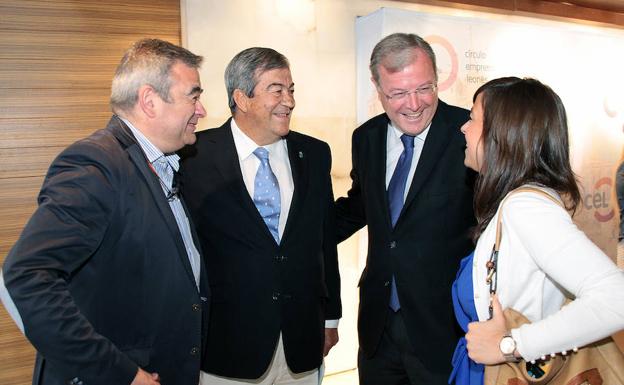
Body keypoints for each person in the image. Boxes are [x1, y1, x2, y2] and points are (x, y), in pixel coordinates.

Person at [1, 38, 210, 385]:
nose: (201, 110)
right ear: (149, 101)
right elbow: (25, 277)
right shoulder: (95, 164)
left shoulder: (162, 163)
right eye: (194, 95)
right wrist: (120, 374)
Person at [179, 47, 341, 385]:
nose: (290, 101)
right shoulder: (192, 157)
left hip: (302, 339)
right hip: (227, 345)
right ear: (241, 97)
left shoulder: (314, 153)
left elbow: (323, 240)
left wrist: (330, 320)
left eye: (291, 90)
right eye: (277, 90)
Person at [450, 76, 624, 384]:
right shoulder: (515, 204)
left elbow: (615, 298)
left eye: (473, 118)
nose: (463, 128)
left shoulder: (526, 207)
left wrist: (510, 345)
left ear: (502, 135)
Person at [334, 33, 475, 385]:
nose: (413, 104)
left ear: (437, 79)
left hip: (444, 327)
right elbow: (361, 206)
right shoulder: (365, 138)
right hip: (378, 328)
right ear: (377, 87)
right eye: (397, 93)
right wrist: (297, 232)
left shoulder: (468, 134)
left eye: (424, 88)